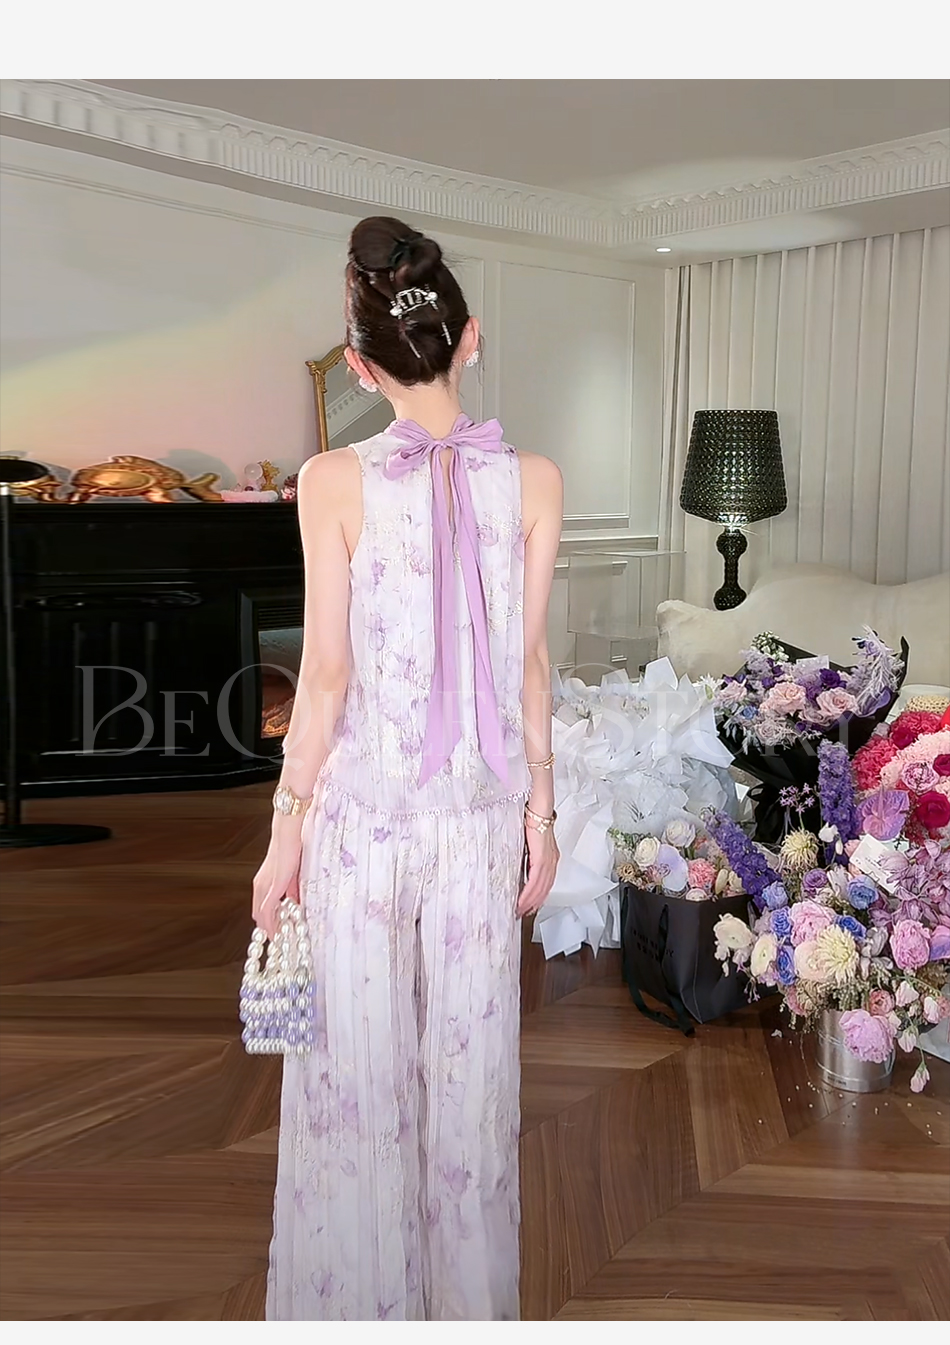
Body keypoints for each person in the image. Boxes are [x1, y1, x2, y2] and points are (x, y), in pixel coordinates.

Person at [253, 215, 562, 1321]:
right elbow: (531, 665)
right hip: (478, 826)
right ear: (470, 337)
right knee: (471, 1090)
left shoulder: (329, 479)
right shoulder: (533, 479)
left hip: (363, 827)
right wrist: (541, 816)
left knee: (355, 1090)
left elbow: (324, 679)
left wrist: (283, 836)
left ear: (358, 365)